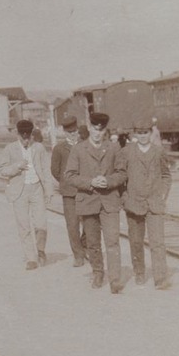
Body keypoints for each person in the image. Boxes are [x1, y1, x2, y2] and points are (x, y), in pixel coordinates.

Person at [60, 111, 128, 293]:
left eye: (102, 129)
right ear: (89, 127)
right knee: (93, 242)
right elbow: (69, 175)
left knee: (112, 240)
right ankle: (98, 272)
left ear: (105, 130)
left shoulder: (114, 148)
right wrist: (90, 182)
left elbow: (122, 173)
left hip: (109, 201)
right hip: (88, 201)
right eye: (95, 129)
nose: (98, 133)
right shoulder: (78, 149)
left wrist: (110, 181)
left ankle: (115, 279)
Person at [119, 121, 172, 289]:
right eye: (139, 133)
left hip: (154, 203)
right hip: (134, 204)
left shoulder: (158, 152)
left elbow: (166, 175)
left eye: (145, 133)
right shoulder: (126, 152)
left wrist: (162, 195)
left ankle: (160, 278)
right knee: (136, 241)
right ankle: (139, 272)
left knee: (157, 242)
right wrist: (125, 198)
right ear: (134, 134)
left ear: (151, 133)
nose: (142, 136)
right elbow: (120, 177)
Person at [0, 119, 52, 269]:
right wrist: (17, 166)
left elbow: (46, 171)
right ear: (17, 134)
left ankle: (40, 250)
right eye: (23, 137)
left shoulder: (39, 148)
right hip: (19, 191)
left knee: (41, 223)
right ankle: (31, 258)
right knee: (24, 226)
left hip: (37, 189)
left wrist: (48, 191)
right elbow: (2, 169)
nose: (26, 140)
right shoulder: (10, 149)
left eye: (28, 137)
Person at [49, 118, 88, 267]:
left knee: (88, 222)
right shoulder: (59, 148)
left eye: (75, 132)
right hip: (69, 193)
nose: (73, 135)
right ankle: (78, 255)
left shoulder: (84, 146)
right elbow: (55, 170)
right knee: (72, 224)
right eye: (69, 132)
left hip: (85, 190)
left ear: (78, 131)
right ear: (65, 132)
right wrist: (65, 182)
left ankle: (85, 246)